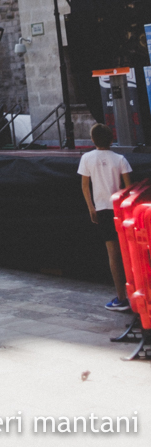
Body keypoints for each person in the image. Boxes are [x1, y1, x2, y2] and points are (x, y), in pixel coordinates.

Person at [78, 123, 133, 311]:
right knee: (130, 253)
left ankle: (121, 297)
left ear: (93, 140)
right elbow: (128, 188)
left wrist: (91, 208)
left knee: (113, 255)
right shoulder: (120, 159)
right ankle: (135, 292)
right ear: (111, 139)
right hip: (121, 210)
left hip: (102, 209)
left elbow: (85, 186)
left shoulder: (86, 158)